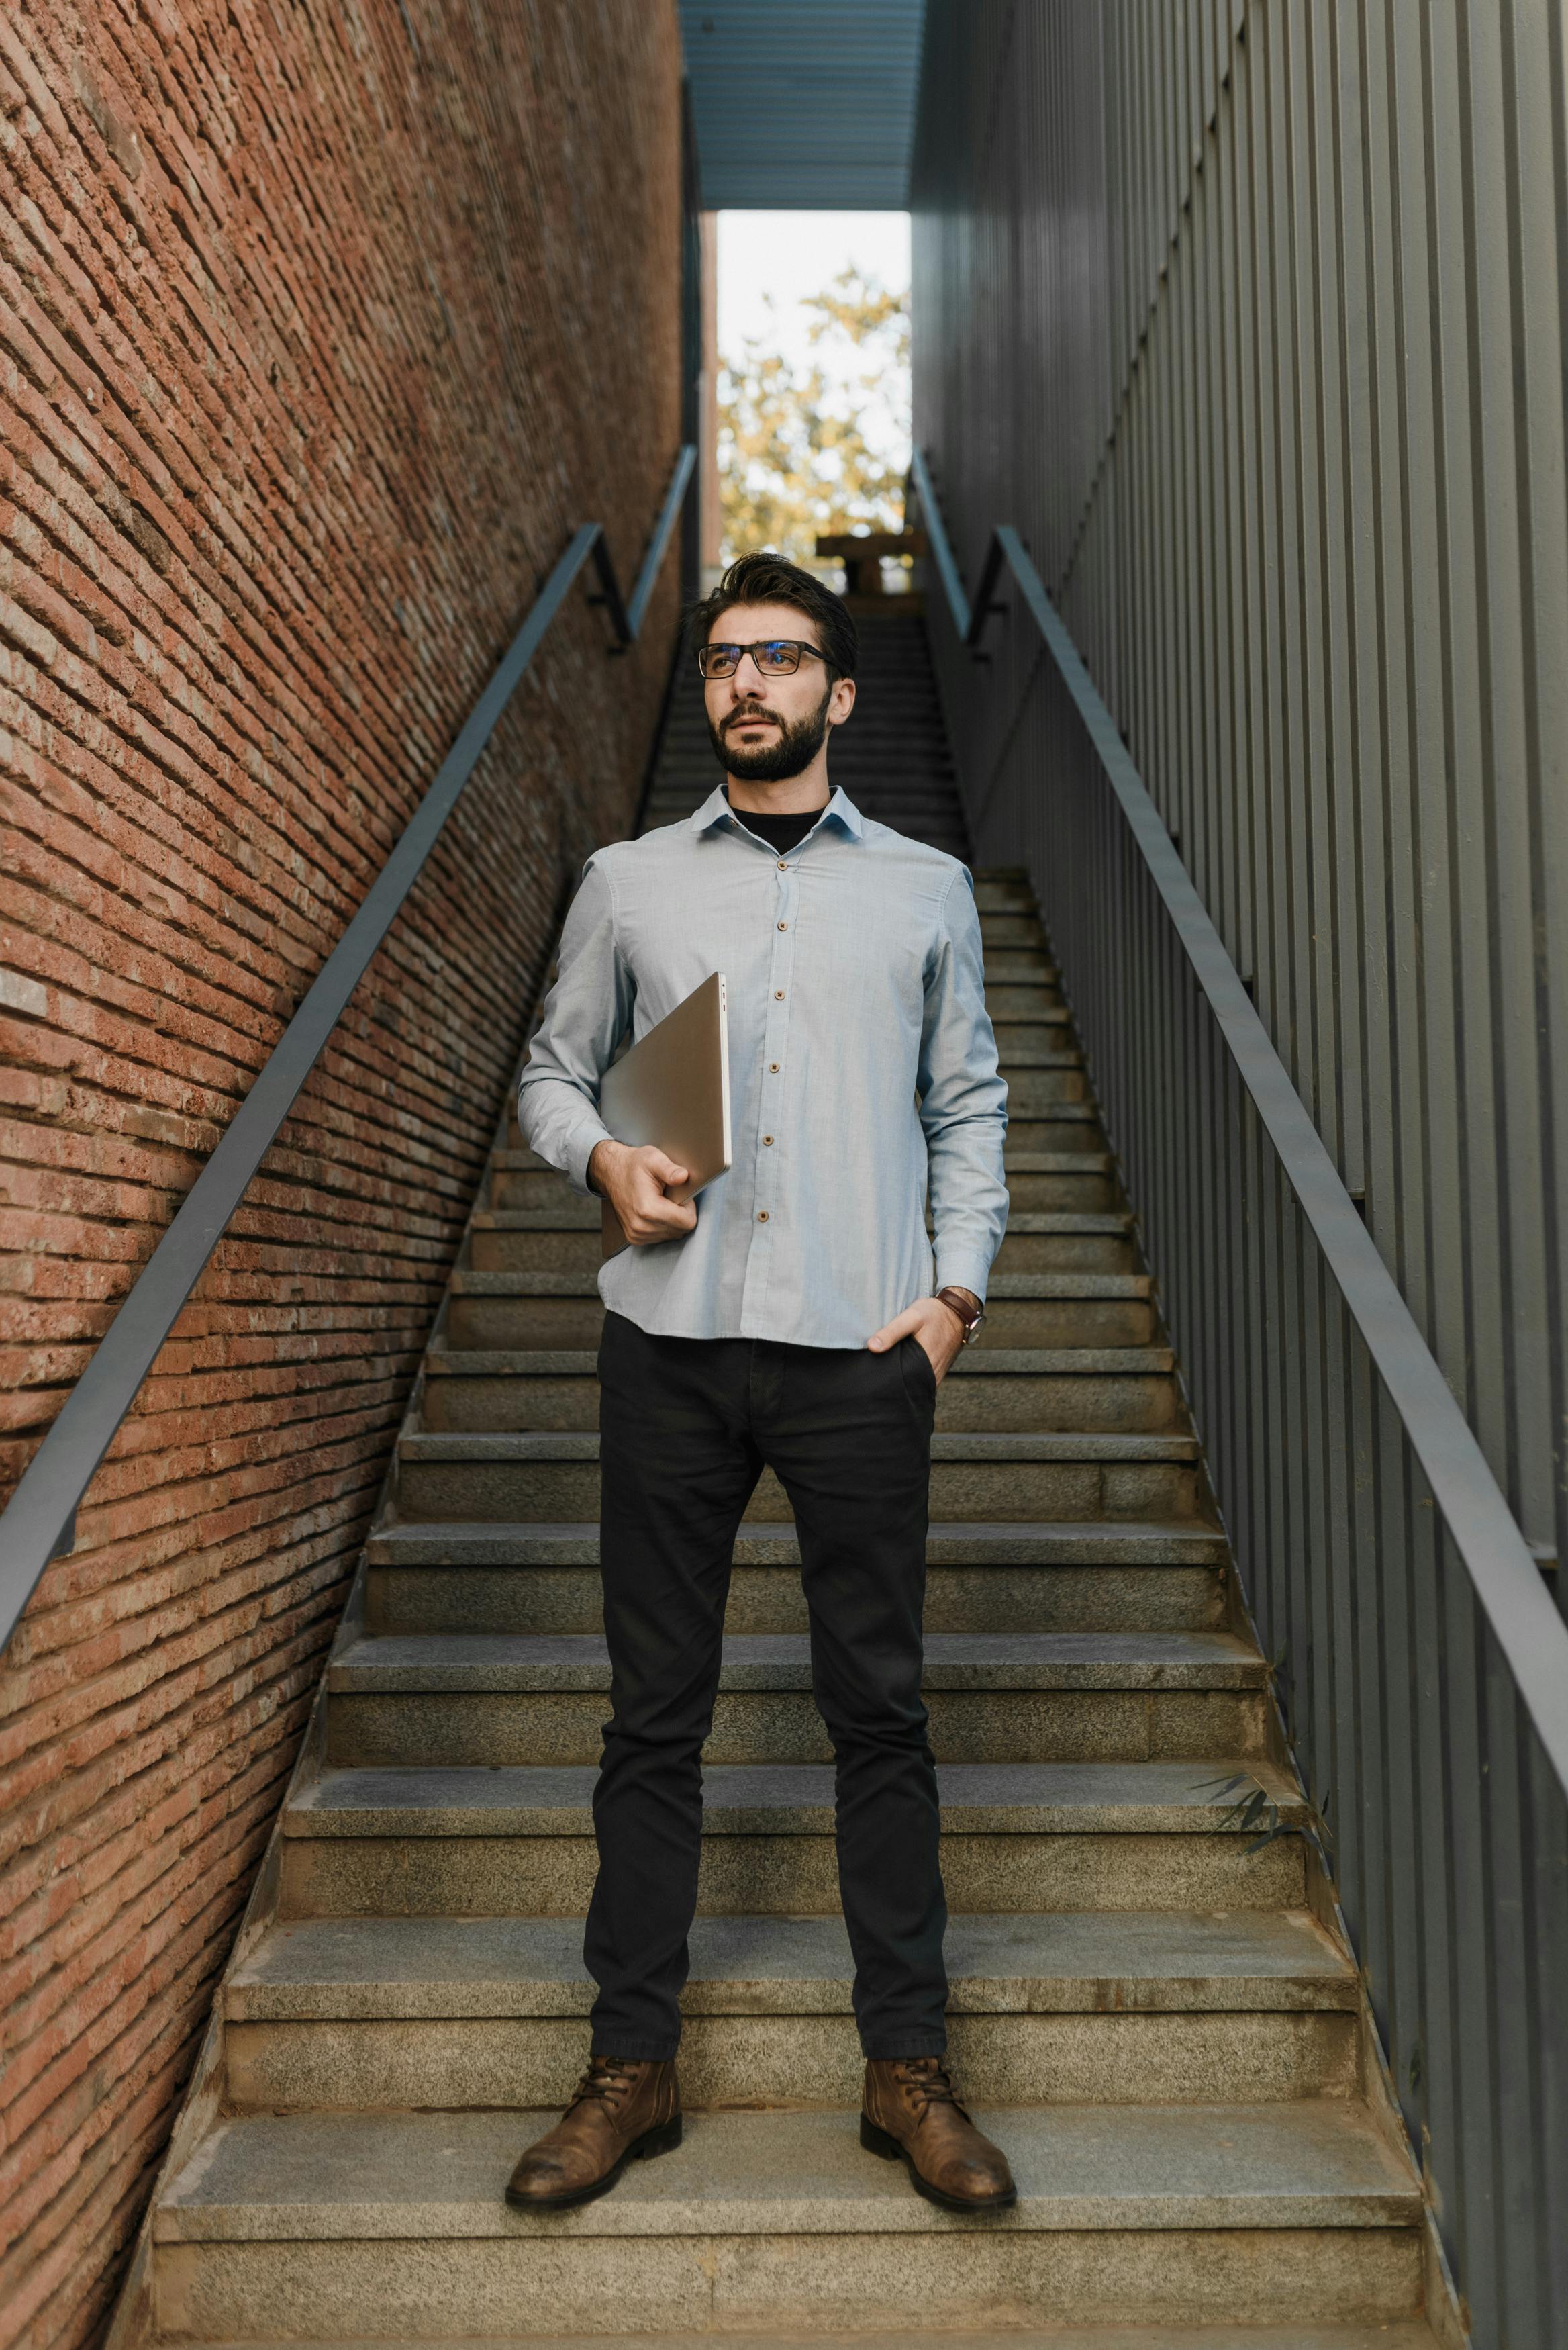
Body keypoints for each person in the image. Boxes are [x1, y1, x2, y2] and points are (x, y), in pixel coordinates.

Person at [508, 551, 1012, 2214]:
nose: (748, 682)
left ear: (838, 695)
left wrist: (950, 1297)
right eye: (726, 657)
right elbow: (553, 1068)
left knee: (881, 1712)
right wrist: (603, 1165)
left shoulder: (927, 888)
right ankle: (627, 2070)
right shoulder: (630, 881)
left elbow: (968, 1109)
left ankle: (909, 2072)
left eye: (783, 657)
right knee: (654, 1718)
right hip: (668, 1341)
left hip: (863, 1353)